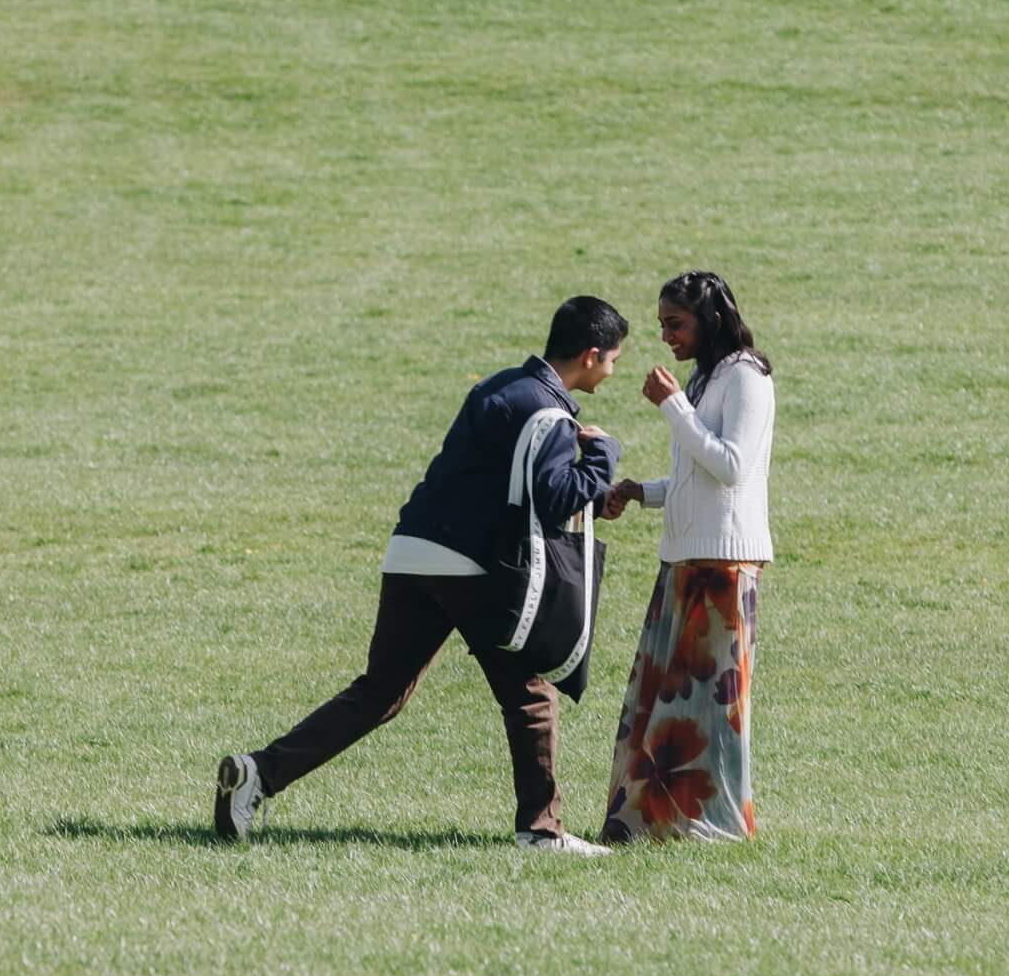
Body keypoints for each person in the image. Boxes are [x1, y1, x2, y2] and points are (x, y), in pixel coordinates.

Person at [214, 298, 628, 854]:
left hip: (412, 550)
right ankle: (542, 830)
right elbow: (553, 500)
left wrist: (589, 490)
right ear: (591, 354)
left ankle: (257, 774)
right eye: (613, 362)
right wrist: (603, 455)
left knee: (378, 692)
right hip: (472, 566)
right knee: (531, 696)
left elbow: (507, 483)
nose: (612, 373)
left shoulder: (499, 387)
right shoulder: (552, 415)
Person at [596, 272, 775, 844]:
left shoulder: (746, 377)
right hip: (683, 560)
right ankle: (652, 822)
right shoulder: (706, 381)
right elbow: (693, 478)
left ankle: (711, 824)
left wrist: (673, 406)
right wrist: (640, 492)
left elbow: (730, 467)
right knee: (662, 698)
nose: (667, 336)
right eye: (662, 326)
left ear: (709, 319)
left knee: (712, 709)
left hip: (724, 566)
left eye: (676, 324)